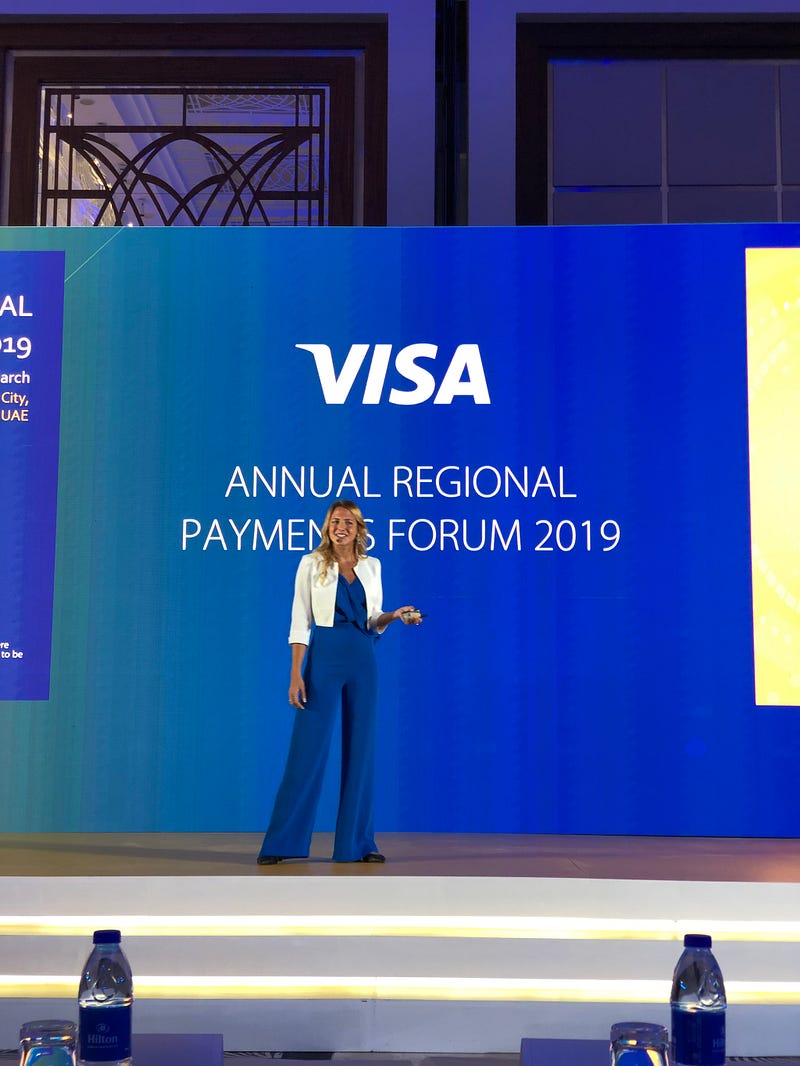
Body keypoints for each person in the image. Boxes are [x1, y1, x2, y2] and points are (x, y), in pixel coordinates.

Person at [257, 499, 422, 866]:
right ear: (327, 527)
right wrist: (296, 673)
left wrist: (396, 616)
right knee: (308, 747)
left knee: (362, 749)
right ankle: (282, 843)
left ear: (359, 528)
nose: (341, 527)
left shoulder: (372, 566)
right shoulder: (311, 563)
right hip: (325, 655)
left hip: (362, 656)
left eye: (348, 521)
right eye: (335, 521)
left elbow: (373, 620)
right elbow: (300, 620)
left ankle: (358, 844)